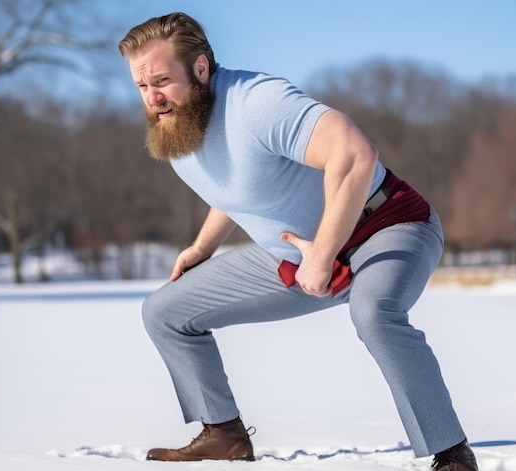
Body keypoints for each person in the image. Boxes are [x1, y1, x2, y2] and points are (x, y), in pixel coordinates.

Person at [118, 12, 478, 470]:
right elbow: (238, 186)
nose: (153, 98)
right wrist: (203, 247)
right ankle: (222, 434)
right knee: (165, 311)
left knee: (374, 314)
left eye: (162, 81)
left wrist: (324, 253)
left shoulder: (257, 102)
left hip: (387, 225)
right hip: (296, 256)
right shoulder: (179, 125)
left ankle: (451, 454)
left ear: (201, 68)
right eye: (141, 87)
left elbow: (355, 153)